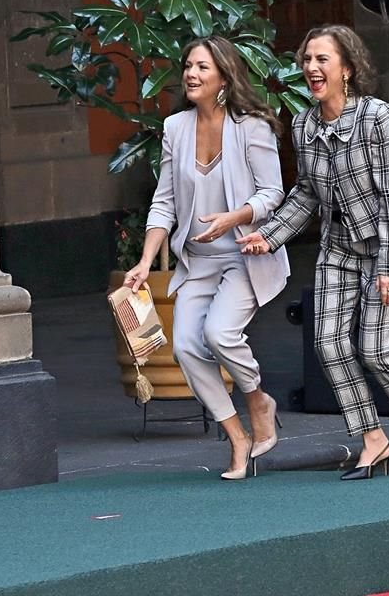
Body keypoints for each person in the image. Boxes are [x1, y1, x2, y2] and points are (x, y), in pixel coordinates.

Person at [237, 25, 389, 480]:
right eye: (307, 60)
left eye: (322, 60)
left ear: (347, 69)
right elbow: (307, 195)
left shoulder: (377, 118)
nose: (311, 68)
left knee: (376, 349)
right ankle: (374, 439)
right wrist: (268, 235)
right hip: (338, 247)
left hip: (387, 245)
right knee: (328, 344)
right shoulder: (304, 125)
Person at [124, 36, 290, 480]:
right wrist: (145, 262)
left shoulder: (251, 126)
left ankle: (257, 399)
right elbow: (164, 203)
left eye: (202, 67)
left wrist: (233, 217)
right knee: (184, 347)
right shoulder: (175, 127)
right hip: (197, 259)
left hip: (243, 254)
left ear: (223, 77)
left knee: (219, 334)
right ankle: (236, 436)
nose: (191, 74)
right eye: (188, 66)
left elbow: (273, 193)